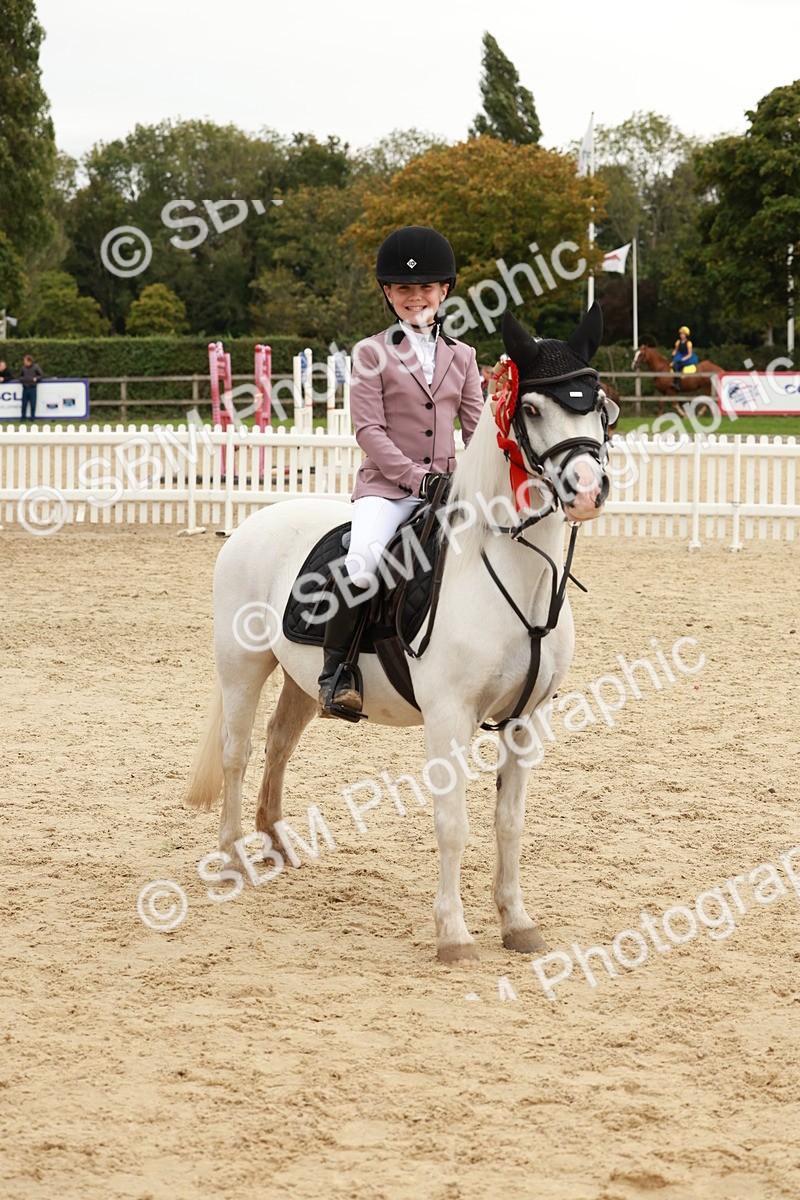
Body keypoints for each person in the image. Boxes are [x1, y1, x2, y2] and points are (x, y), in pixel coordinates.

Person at [318, 225, 485, 719]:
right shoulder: (371, 353)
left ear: (444, 291)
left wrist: (485, 475)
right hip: (388, 490)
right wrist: (417, 478)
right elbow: (369, 431)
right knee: (362, 564)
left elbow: (477, 429)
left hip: (449, 490)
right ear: (389, 294)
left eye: (426, 287)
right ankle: (337, 674)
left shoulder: (463, 356)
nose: (416, 297)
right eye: (404, 288)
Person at [671, 326, 698, 392]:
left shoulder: (688, 343)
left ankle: (677, 383)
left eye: (683, 334)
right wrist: (673, 353)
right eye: (681, 334)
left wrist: (684, 359)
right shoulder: (678, 342)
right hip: (679, 356)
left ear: (686, 335)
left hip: (687, 357)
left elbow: (690, 354)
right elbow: (676, 350)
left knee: (676, 366)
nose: (681, 335)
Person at [19, 354, 44, 420]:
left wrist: (36, 378)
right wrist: (24, 380)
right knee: (24, 404)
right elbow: (20, 377)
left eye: (25, 360)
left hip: (32, 388)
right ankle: (23, 417)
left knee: (33, 404)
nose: (24, 362)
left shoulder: (36, 367)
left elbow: (41, 375)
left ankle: (32, 417)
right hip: (25, 388)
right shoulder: (23, 368)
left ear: (29, 361)